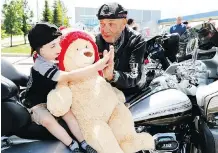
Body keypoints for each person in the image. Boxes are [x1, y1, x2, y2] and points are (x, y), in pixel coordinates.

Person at [25, 22, 112, 153]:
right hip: (37, 103)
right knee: (47, 120)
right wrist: (94, 68)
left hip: (53, 99)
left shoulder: (52, 57)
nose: (58, 49)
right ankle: (71, 144)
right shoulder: (41, 64)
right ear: (40, 49)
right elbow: (67, 76)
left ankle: (83, 142)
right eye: (53, 46)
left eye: (59, 43)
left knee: (69, 115)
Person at [95, 2, 148, 99]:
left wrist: (113, 75)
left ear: (123, 23)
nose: (105, 30)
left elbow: (135, 75)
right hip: (107, 92)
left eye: (111, 24)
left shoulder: (136, 40)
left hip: (131, 93)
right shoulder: (98, 39)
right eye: (102, 24)